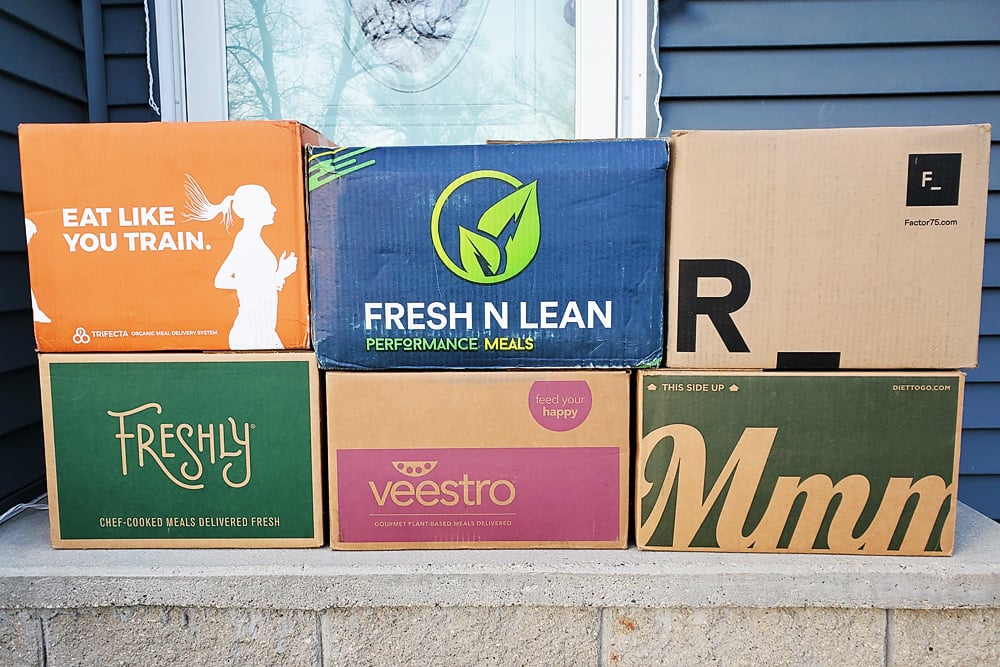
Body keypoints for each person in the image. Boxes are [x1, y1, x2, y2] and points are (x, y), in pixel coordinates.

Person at [184, 175, 296, 349]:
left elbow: (260, 284)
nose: (274, 208)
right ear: (254, 210)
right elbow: (221, 280)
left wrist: (279, 274)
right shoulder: (245, 240)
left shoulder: (253, 239)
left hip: (263, 330)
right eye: (268, 204)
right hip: (251, 332)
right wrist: (279, 275)